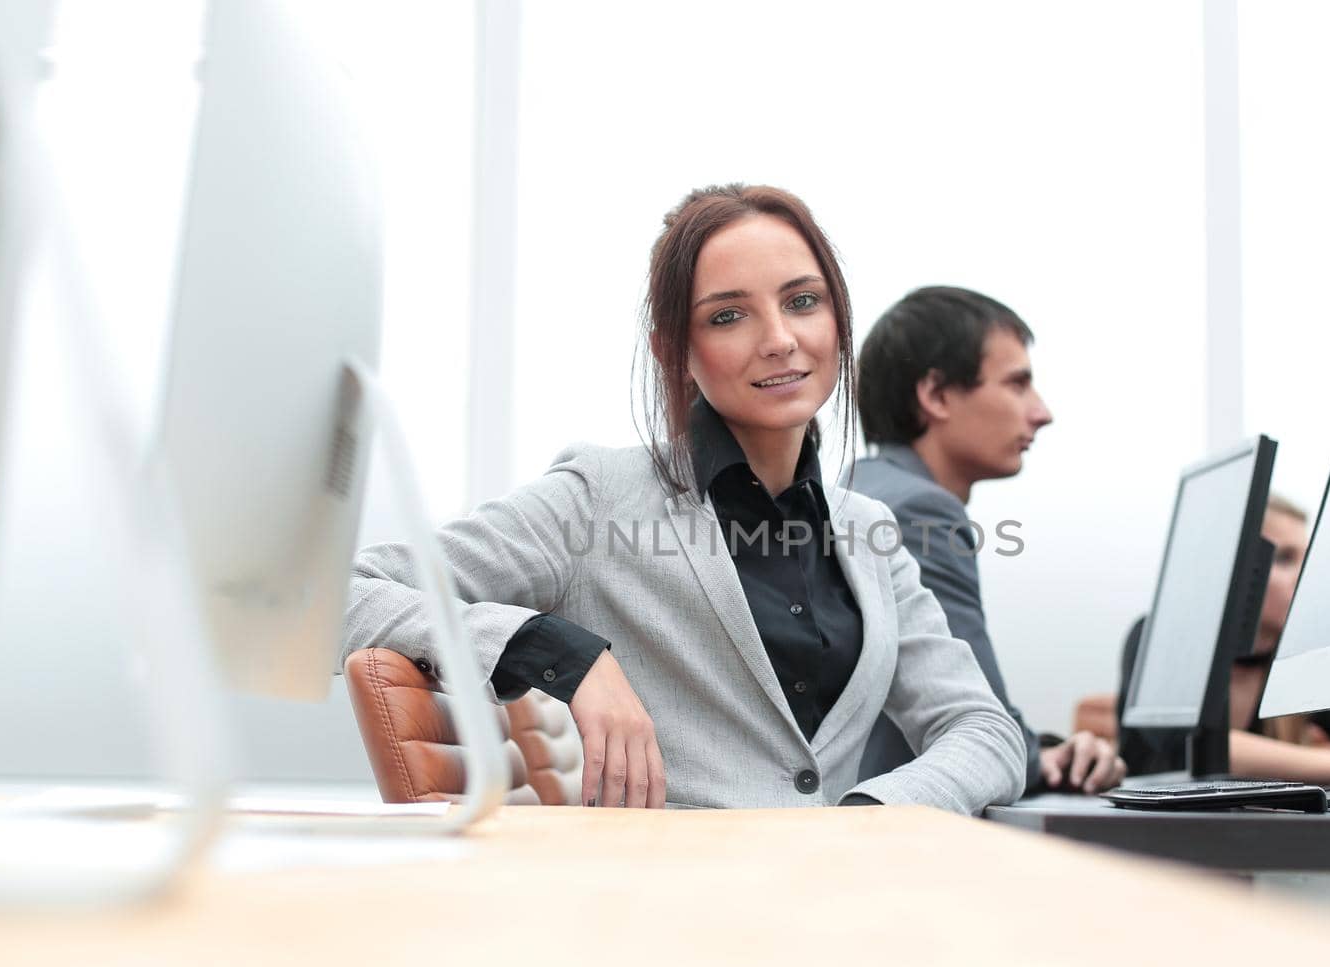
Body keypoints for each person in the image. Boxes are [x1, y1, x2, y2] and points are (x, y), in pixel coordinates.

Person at [340, 184, 1026, 815]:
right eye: (729, 315)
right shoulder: (598, 499)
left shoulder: (869, 531)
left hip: (834, 904)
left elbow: (985, 730)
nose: (780, 339)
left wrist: (872, 817)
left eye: (802, 301)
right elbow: (340, 595)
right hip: (667, 911)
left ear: (838, 319)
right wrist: (557, 651)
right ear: (676, 350)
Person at [850, 286, 1126, 795]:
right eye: (1018, 384)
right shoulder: (917, 511)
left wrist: (1042, 750)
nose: (1041, 412)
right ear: (936, 396)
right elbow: (984, 732)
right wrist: (1048, 760)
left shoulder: (860, 489)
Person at [1117, 494, 1330, 788]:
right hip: (1145, 847)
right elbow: (1194, 748)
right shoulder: (1157, 636)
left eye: (1306, 558)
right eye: (1284, 558)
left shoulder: (1299, 655)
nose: (1304, 575)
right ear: (1235, 566)